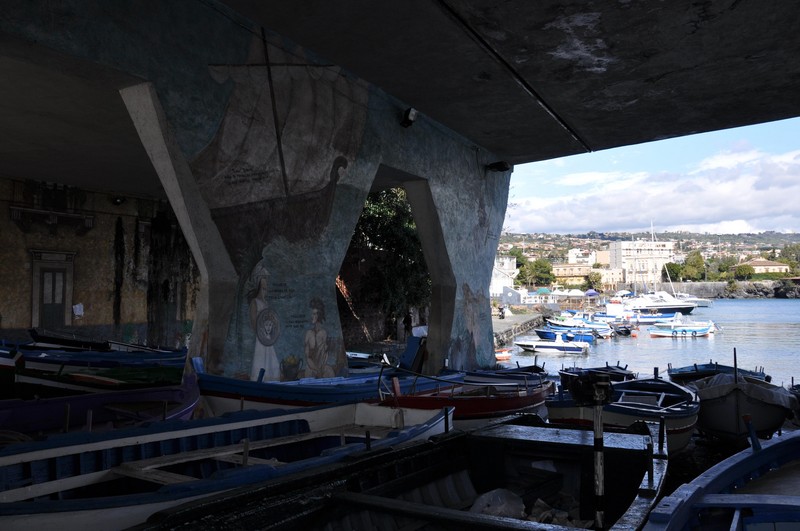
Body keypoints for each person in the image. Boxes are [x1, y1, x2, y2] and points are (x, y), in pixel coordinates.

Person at [248, 270, 280, 381]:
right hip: (260, 338)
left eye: (266, 289)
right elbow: (253, 321)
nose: (264, 292)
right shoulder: (255, 302)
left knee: (272, 361)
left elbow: (269, 318)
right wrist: (261, 331)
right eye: (263, 289)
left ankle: (271, 381)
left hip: (267, 338)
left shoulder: (266, 303)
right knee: (260, 361)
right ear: (259, 288)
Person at [304, 297, 335, 378]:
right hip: (311, 368)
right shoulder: (308, 334)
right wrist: (316, 370)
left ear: (319, 315)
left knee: (330, 372)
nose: (312, 316)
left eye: (314, 314)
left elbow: (325, 355)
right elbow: (307, 357)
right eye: (312, 314)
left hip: (322, 368)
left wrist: (321, 369)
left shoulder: (323, 333)